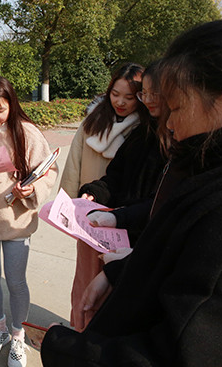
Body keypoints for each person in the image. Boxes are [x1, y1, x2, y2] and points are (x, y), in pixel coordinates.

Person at [41, 18, 222, 366]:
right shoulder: (212, 168)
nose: (169, 123)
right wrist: (119, 273)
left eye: (176, 107)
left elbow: (184, 349)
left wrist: (69, 352)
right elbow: (169, 256)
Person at [0, 76, 58, 367]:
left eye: (0, 109)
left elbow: (49, 171)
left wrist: (32, 189)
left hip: (17, 220)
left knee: (16, 281)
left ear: (11, 105)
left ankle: (18, 335)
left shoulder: (27, 132)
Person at [69, 62, 171, 327]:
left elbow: (162, 201)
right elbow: (114, 176)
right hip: (105, 223)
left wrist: (120, 217)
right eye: (145, 93)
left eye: (152, 94)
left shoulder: (175, 139)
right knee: (88, 287)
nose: (148, 100)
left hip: (139, 235)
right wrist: (92, 193)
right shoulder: (141, 133)